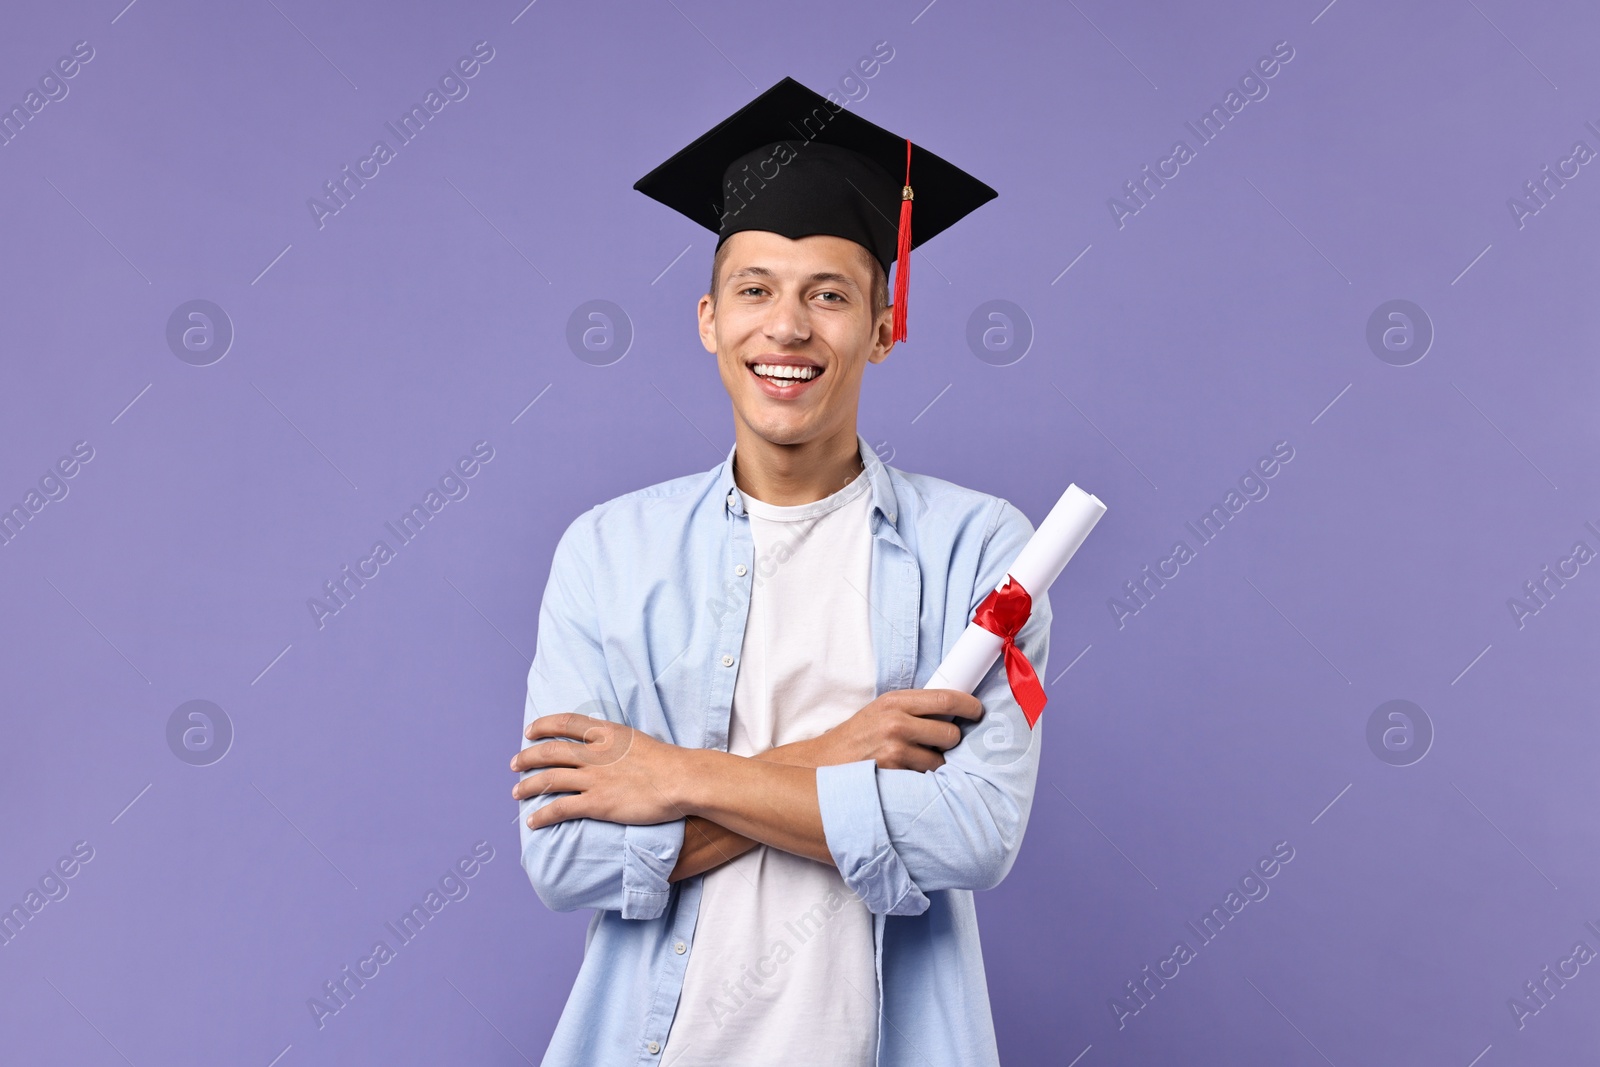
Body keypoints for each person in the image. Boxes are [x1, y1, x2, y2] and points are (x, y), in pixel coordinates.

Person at [510, 75, 1051, 1067]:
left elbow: (973, 831)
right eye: (756, 290)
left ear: (884, 327)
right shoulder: (607, 549)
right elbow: (565, 855)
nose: (788, 328)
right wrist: (844, 749)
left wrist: (669, 776)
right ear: (710, 319)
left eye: (829, 294)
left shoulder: (980, 548)